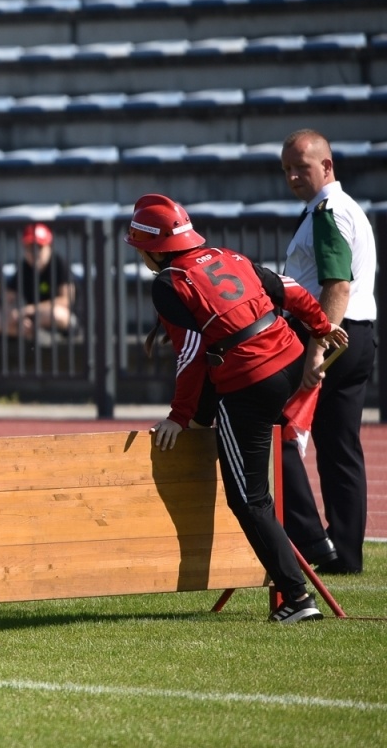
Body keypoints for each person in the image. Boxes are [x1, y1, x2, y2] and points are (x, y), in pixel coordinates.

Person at [128, 194, 345, 623]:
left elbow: (190, 352)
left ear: (153, 248)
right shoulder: (228, 255)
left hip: (251, 381)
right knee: (259, 468)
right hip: (289, 359)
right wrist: (322, 327)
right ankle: (307, 557)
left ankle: (297, 599)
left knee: (249, 499)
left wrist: (178, 416)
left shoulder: (169, 282)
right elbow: (291, 289)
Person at [277, 129, 378, 574]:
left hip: (327, 336)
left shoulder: (327, 211)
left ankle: (310, 541)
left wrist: (316, 349)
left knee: (276, 430)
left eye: (301, 167)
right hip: (358, 334)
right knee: (340, 448)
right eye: (287, 169)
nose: (293, 176)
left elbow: (336, 286)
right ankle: (345, 554)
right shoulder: (346, 208)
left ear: (327, 165)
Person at [0, 222, 76, 337]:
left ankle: (47, 336)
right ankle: (35, 336)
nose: (34, 252)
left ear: (49, 247)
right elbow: (8, 297)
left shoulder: (59, 264)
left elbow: (66, 300)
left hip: (61, 319)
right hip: (28, 319)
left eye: (39, 247)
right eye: (29, 247)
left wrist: (30, 309)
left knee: (56, 314)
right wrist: (15, 313)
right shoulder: (24, 267)